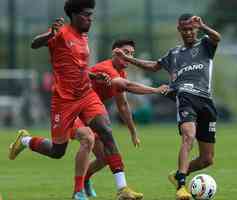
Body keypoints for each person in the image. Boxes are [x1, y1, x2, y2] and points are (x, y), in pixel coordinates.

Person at [8, 1, 130, 200]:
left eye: (91, 15)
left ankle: (119, 189)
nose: (90, 18)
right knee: (58, 151)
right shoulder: (60, 33)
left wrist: (94, 77)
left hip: (86, 95)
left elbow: (78, 68)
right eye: (85, 15)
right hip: (64, 101)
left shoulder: (84, 36)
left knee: (105, 132)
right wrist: (49, 35)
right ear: (73, 15)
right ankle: (25, 140)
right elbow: (34, 43)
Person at [114, 13, 221, 200]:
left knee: (207, 159)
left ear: (196, 29)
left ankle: (177, 174)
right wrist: (129, 59)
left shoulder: (205, 44)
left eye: (192, 29)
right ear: (179, 30)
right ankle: (181, 186)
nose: (189, 32)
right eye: (185, 29)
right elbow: (153, 66)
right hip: (185, 98)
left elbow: (217, 38)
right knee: (189, 136)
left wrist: (203, 26)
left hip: (206, 101)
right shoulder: (174, 53)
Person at [72, 39, 169, 199]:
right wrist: (155, 90)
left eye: (131, 53)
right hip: (74, 112)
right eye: (125, 53)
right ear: (115, 53)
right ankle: (79, 190)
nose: (129, 57)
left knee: (103, 158)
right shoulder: (106, 68)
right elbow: (128, 86)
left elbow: (123, 105)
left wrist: (133, 131)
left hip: (91, 116)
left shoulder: (120, 72)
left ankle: (89, 182)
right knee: (60, 149)